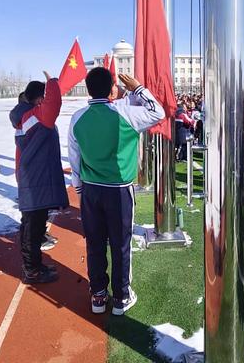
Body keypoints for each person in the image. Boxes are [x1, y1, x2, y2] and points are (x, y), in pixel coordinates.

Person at [68, 68, 165, 315]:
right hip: (119, 190)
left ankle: (98, 296)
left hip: (91, 190)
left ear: (88, 89)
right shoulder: (124, 112)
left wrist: (79, 189)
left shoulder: (77, 117)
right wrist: (138, 88)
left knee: (95, 243)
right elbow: (158, 112)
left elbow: (74, 158)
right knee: (120, 244)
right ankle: (121, 297)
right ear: (113, 88)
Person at [9, 72, 68, 284]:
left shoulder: (28, 116)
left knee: (33, 225)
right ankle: (31, 270)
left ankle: (34, 265)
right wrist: (53, 82)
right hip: (35, 180)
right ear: (39, 99)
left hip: (34, 177)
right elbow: (54, 105)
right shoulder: (34, 115)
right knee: (33, 228)